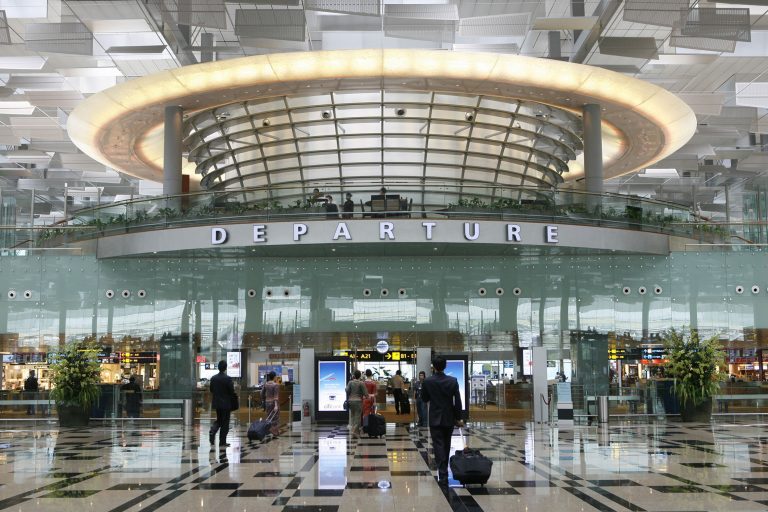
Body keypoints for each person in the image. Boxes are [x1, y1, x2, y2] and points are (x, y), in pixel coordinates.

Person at [421, 355, 463, 484]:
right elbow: (458, 401)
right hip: (448, 417)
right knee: (447, 443)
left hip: (434, 418)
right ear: (445, 366)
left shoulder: (428, 381)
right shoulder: (453, 380)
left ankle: (442, 471)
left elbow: (425, 399)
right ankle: (444, 469)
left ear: (433, 366)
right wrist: (458, 417)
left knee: (438, 444)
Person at [209, 360, 237, 450]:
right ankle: (222, 442)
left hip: (217, 403)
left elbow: (211, 390)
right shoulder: (228, 378)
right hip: (226, 404)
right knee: (225, 423)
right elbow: (231, 391)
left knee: (219, 419)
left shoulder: (213, 378)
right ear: (225, 368)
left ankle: (213, 430)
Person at [345, 370, 368, 438]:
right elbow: (366, 393)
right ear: (360, 376)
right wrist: (367, 396)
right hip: (358, 401)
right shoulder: (361, 383)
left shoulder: (350, 382)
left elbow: (346, 390)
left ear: (354, 376)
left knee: (352, 416)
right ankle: (354, 431)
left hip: (351, 401)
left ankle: (355, 433)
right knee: (358, 417)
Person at [263, 371, 280, 437]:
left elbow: (262, 393)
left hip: (267, 402)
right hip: (273, 403)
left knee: (268, 417)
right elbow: (276, 396)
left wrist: (263, 399)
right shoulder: (276, 385)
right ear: (275, 377)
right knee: (275, 418)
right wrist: (276, 405)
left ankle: (269, 430)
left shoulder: (266, 384)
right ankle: (275, 432)